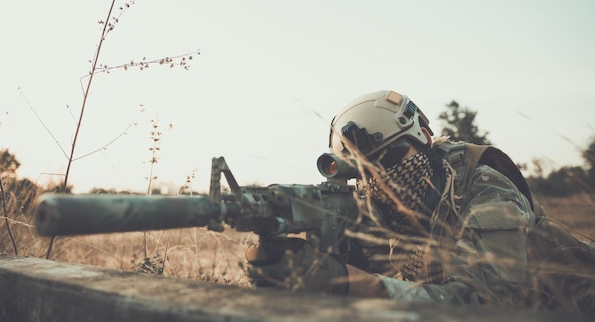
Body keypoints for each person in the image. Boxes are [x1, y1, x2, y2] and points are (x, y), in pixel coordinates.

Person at [245, 90, 595, 313]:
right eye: (364, 169)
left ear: (425, 137)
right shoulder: (368, 204)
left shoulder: (483, 183)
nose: (379, 177)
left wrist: (351, 283)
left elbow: (487, 303)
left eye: (391, 156)